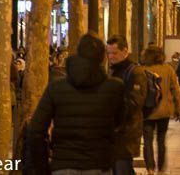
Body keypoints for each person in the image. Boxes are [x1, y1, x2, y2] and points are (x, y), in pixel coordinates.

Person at [26, 33, 126, 174]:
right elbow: (120, 124)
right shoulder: (114, 88)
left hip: (63, 163)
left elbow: (36, 130)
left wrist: (42, 166)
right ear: (102, 58)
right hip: (98, 163)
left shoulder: (56, 88)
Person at [107, 35, 147, 175]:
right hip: (114, 132)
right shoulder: (113, 71)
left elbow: (135, 103)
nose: (111, 56)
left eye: (114, 53)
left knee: (122, 166)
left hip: (127, 131)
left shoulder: (135, 72)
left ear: (125, 51)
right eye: (109, 53)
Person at [141, 44, 180, 175]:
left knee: (147, 141)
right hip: (164, 111)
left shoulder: (143, 69)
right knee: (161, 139)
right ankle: (160, 168)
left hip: (147, 111)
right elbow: (175, 90)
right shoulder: (168, 69)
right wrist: (178, 107)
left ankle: (150, 169)